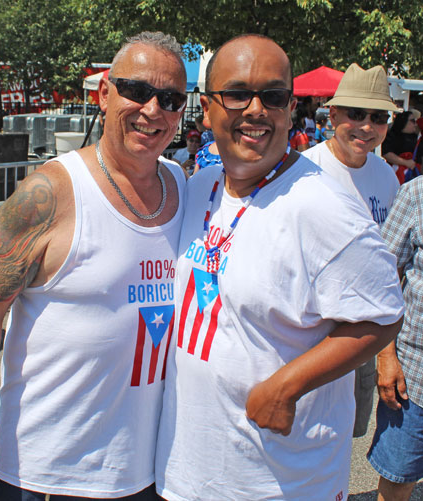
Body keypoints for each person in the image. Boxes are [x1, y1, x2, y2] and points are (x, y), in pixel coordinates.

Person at [155, 34, 404, 500]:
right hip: (187, 471)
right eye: (236, 94)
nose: (255, 110)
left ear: (290, 109)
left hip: (280, 482)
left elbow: (383, 312)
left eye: (273, 96)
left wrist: (287, 386)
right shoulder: (201, 185)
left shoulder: (325, 206)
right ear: (207, 109)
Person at [0, 31, 188, 501]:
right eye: (137, 91)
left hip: (145, 471)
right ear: (104, 94)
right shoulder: (50, 193)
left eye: (171, 98)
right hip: (46, 474)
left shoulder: (182, 184)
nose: (153, 110)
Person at [303, 63, 401, 438]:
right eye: (356, 114)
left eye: (378, 117)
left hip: (362, 329)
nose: (367, 126)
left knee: (345, 433)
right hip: (311, 328)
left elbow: (391, 260)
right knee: (301, 430)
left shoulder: (385, 175)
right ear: (333, 113)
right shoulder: (305, 169)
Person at [367, 176, 423, 500]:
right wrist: (386, 356)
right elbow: (383, 276)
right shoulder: (416, 193)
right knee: (399, 477)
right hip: (415, 372)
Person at [383, 110, 422, 184]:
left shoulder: (416, 138)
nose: (415, 124)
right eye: (413, 121)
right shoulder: (392, 136)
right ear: (404, 122)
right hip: (395, 176)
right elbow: (386, 153)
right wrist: (406, 162)